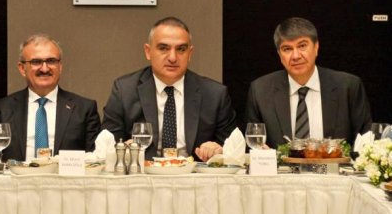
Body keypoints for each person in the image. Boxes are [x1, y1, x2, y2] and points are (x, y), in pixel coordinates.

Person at [102, 17, 236, 161]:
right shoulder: (124, 91)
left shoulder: (215, 95)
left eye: (181, 49)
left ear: (190, 54)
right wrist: (121, 149)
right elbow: (107, 145)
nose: (172, 57)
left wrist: (219, 150)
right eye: (163, 48)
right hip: (144, 172)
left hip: (193, 173)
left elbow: (233, 152)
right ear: (148, 51)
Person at [245, 17, 372, 148]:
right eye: (287, 49)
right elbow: (253, 147)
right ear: (279, 54)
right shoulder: (260, 90)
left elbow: (365, 144)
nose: (296, 56)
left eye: (302, 46)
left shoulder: (348, 86)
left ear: (316, 47)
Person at [0, 34, 100, 161]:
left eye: (51, 61)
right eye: (36, 62)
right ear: (22, 68)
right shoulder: (2, 109)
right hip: (17, 174)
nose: (45, 69)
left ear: (60, 67)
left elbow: (95, 160)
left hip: (65, 175)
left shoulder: (84, 109)